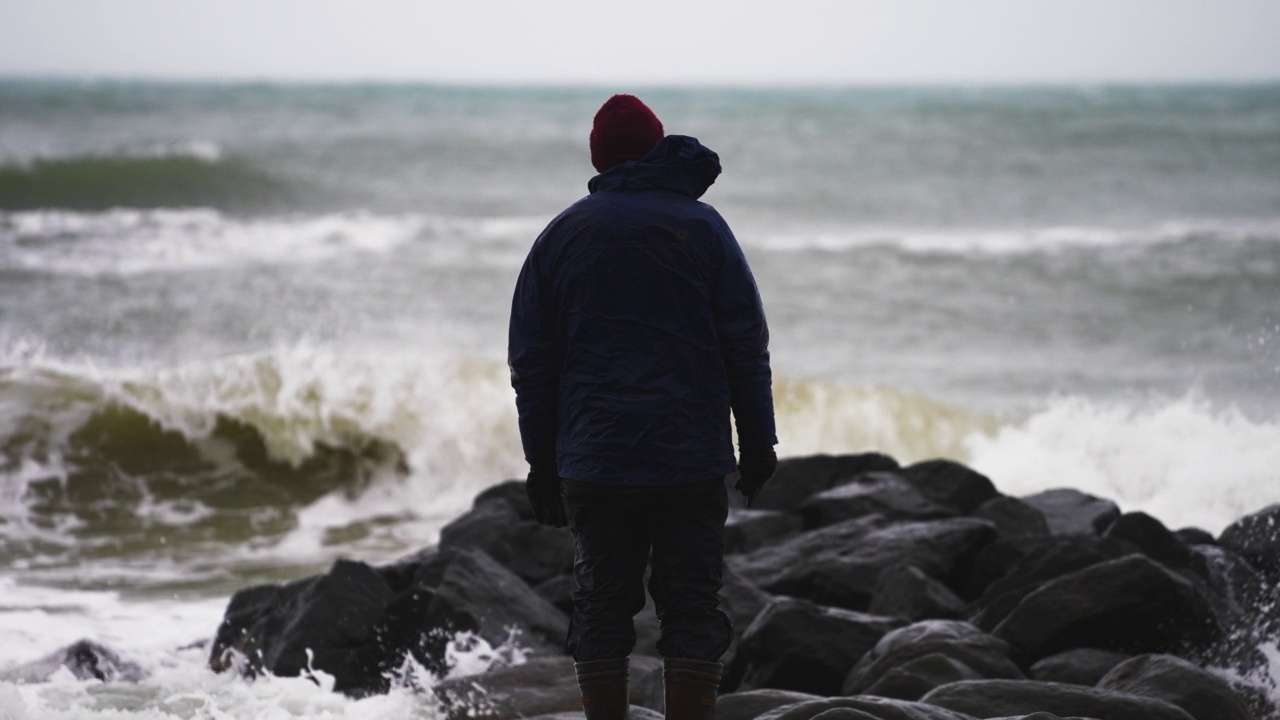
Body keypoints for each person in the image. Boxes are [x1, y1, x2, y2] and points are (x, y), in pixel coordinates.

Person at [508, 94, 777, 720]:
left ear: (600, 159)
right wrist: (758, 445)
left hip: (595, 464)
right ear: (656, 149)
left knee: (601, 605)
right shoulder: (705, 228)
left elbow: (532, 364)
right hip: (690, 460)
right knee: (692, 608)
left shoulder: (562, 234)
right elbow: (746, 344)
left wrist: (542, 465)